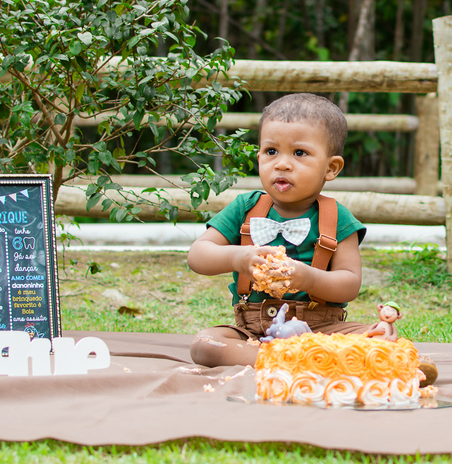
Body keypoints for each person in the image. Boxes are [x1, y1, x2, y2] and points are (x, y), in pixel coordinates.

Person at [186, 93, 437, 385]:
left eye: (299, 153)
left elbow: (348, 284)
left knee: (379, 337)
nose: (282, 164)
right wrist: (237, 257)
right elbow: (198, 255)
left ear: (331, 168)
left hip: (323, 329)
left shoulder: (337, 218)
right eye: (270, 152)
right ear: (258, 157)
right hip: (254, 333)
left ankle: (380, 359)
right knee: (205, 344)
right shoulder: (245, 207)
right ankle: (291, 361)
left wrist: (308, 278)